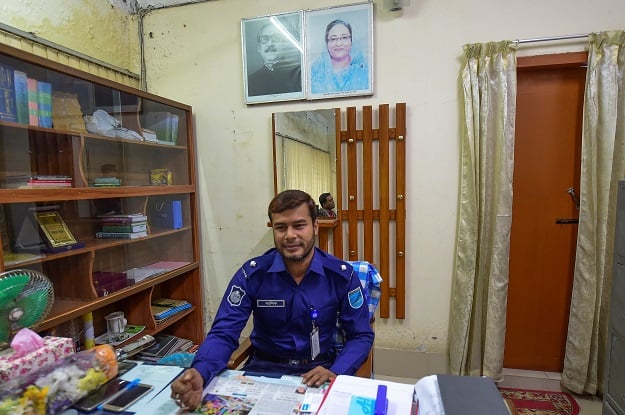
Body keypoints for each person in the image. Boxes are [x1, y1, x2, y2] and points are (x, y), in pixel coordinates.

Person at [170, 190, 374, 410]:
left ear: (315, 227)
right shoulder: (252, 275)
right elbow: (224, 332)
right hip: (262, 371)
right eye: (281, 227)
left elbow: (360, 335)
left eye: (299, 225)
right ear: (273, 229)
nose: (290, 235)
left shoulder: (341, 276)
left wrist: (337, 370)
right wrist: (201, 371)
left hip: (318, 372)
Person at [310, 19, 369, 94]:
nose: (338, 43)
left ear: (351, 41)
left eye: (344, 37)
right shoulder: (314, 73)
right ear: (327, 43)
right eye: (333, 39)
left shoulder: (364, 71)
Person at [247, 21, 302, 97]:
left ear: (284, 45)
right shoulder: (250, 81)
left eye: (276, 38)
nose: (270, 44)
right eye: (265, 39)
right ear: (259, 48)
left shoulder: (298, 74)